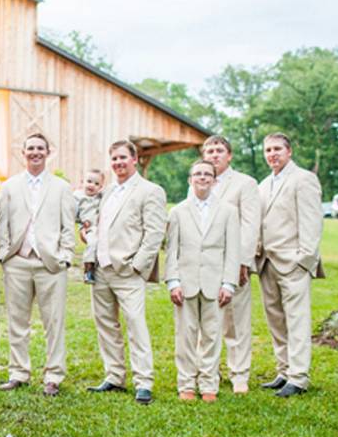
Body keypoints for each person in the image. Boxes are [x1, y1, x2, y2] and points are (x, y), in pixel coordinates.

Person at [84, 139, 167, 405]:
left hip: (128, 270)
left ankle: (144, 381)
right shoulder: (107, 191)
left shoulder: (150, 191)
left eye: (122, 157)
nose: (118, 162)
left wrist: (137, 266)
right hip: (102, 268)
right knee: (106, 325)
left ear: (134, 159)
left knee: (136, 324)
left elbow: (155, 232)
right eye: (114, 159)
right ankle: (115, 376)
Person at [0, 133, 76, 396]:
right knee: (17, 321)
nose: (35, 152)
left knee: (53, 322)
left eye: (40, 148)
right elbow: (3, 224)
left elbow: (67, 226)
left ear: (48, 152)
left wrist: (64, 256)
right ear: (23, 152)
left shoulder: (61, 187)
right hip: (17, 262)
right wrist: (4, 253)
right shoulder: (9, 186)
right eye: (31, 148)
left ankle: (53, 376)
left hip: (50, 263)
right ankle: (18, 373)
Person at [165, 160, 239, 402]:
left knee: (212, 334)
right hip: (185, 283)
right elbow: (171, 250)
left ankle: (209, 384)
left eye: (208, 174)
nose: (203, 178)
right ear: (190, 180)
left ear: (215, 181)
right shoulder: (177, 212)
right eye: (198, 174)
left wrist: (229, 283)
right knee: (185, 335)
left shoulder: (228, 211)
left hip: (215, 283)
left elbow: (232, 251)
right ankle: (186, 383)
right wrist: (173, 281)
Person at [256, 133, 324, 397]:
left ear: (289, 151)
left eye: (277, 149)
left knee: (297, 320)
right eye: (268, 150)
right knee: (276, 321)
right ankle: (283, 371)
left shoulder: (303, 179)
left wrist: (304, 259)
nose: (272, 154)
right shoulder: (263, 184)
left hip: (293, 262)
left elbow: (312, 221)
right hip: (267, 262)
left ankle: (299, 377)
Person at [203, 135, 261, 394]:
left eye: (219, 150)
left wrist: (243, 261)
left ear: (229, 155)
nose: (214, 155)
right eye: (209, 151)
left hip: (232, 260)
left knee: (236, 320)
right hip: (203, 263)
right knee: (206, 320)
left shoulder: (245, 184)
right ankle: (208, 369)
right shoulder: (200, 182)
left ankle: (239, 374)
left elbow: (250, 226)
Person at [74, 169, 105, 283]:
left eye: (97, 184)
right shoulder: (77, 196)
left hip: (101, 226)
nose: (92, 185)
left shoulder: (100, 196)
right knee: (92, 243)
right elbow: (72, 213)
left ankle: (100, 266)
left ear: (101, 187)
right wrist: (82, 223)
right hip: (88, 227)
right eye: (89, 181)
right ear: (82, 182)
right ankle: (88, 270)